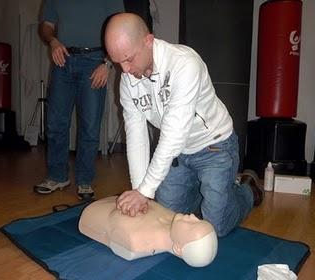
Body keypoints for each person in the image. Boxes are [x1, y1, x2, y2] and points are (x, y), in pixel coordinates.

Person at [104, 13, 264, 236]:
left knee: (214, 227)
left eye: (128, 59)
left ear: (148, 41)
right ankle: (212, 192)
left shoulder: (184, 64)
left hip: (214, 147)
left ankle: (247, 190)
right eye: (117, 62)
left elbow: (173, 135)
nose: (125, 70)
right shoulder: (128, 80)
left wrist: (146, 191)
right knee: (165, 219)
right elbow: (136, 134)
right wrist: (140, 190)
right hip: (178, 156)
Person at [34, 0, 124, 200]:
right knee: (56, 123)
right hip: (62, 60)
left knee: (90, 125)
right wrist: (53, 41)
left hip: (95, 61)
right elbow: (46, 26)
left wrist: (107, 63)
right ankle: (57, 176)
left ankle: (84, 180)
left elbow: (120, 27)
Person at [79, 196, 218, 267]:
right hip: (112, 202)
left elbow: (116, 220)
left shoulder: (135, 240)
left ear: (178, 248)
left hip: (93, 212)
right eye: (199, 220)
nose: (193, 216)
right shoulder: (174, 220)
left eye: (192, 225)